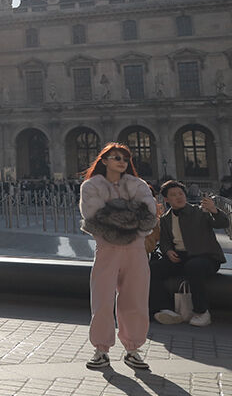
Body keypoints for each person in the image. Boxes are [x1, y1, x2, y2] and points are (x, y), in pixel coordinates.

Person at [79, 142, 157, 371]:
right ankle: (101, 350)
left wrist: (115, 215)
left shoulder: (138, 184)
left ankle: (133, 350)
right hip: (107, 248)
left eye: (125, 158)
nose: (122, 162)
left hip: (136, 249)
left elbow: (150, 214)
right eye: (116, 157)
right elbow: (94, 215)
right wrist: (131, 216)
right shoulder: (91, 186)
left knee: (136, 300)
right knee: (102, 301)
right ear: (104, 161)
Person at [150, 181, 229, 327]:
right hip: (181, 257)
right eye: (173, 195)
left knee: (194, 266)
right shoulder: (166, 218)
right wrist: (168, 251)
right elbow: (165, 241)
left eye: (181, 193)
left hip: (206, 257)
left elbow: (222, 223)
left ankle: (202, 312)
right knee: (153, 269)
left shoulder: (200, 211)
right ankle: (164, 309)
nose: (179, 197)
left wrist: (214, 210)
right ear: (166, 199)